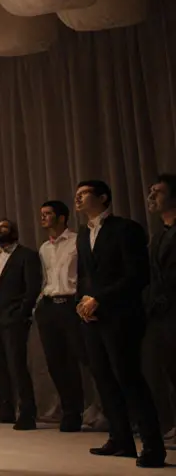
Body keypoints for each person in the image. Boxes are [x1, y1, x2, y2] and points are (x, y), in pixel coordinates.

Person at [74, 180, 166, 467]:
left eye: (84, 193)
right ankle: (121, 438)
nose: (78, 198)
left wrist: (99, 298)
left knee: (129, 377)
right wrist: (82, 302)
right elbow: (85, 275)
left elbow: (137, 274)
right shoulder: (82, 233)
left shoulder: (125, 229)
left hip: (121, 315)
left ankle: (152, 445)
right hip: (92, 316)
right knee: (102, 378)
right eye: (76, 194)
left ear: (103, 198)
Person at [0, 218, 41, 430]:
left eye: (4, 227)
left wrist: (21, 313)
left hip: (12, 317)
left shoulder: (26, 256)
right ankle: (5, 409)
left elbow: (32, 288)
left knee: (17, 365)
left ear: (14, 232)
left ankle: (27, 412)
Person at [35, 200, 88, 432]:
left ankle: (103, 410)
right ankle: (70, 412)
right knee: (55, 362)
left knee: (82, 358)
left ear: (62, 217)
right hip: (49, 307)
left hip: (71, 304)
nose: (43, 218)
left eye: (48, 214)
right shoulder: (44, 248)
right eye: (42, 214)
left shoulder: (78, 241)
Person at [144, 175, 176, 446]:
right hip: (161, 316)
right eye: (150, 191)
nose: (151, 197)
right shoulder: (157, 236)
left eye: (159, 192)